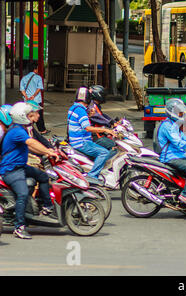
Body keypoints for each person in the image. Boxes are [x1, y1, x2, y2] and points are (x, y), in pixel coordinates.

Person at [0, 102, 59, 239]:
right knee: (23, 194)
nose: (30, 117)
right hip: (11, 170)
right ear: (22, 116)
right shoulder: (17, 131)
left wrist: (48, 151)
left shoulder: (20, 129)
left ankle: (47, 207)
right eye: (28, 115)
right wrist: (48, 152)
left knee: (43, 176)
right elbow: (31, 143)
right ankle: (19, 227)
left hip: (21, 167)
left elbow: (31, 147)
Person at [156, 98, 186, 208]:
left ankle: (182, 204)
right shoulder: (167, 126)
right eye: (179, 112)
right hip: (170, 157)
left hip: (178, 156)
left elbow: (183, 138)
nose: (181, 114)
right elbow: (178, 142)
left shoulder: (174, 124)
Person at [67, 86, 116, 185]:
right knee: (104, 153)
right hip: (82, 142)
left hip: (75, 140)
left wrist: (89, 115)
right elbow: (87, 128)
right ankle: (92, 176)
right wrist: (107, 130)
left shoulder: (74, 107)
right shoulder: (81, 110)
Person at [19, 61, 50, 135]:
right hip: (36, 100)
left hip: (27, 101)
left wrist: (26, 96)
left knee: (28, 115)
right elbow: (39, 88)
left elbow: (22, 89)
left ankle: (27, 129)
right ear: (35, 69)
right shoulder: (38, 77)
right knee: (39, 116)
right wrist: (34, 95)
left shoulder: (24, 78)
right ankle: (42, 130)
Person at [87, 85, 117, 153]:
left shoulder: (95, 105)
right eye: (103, 95)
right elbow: (98, 117)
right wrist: (111, 123)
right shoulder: (92, 106)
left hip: (99, 133)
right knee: (114, 146)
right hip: (94, 136)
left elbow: (102, 115)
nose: (104, 97)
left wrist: (114, 121)